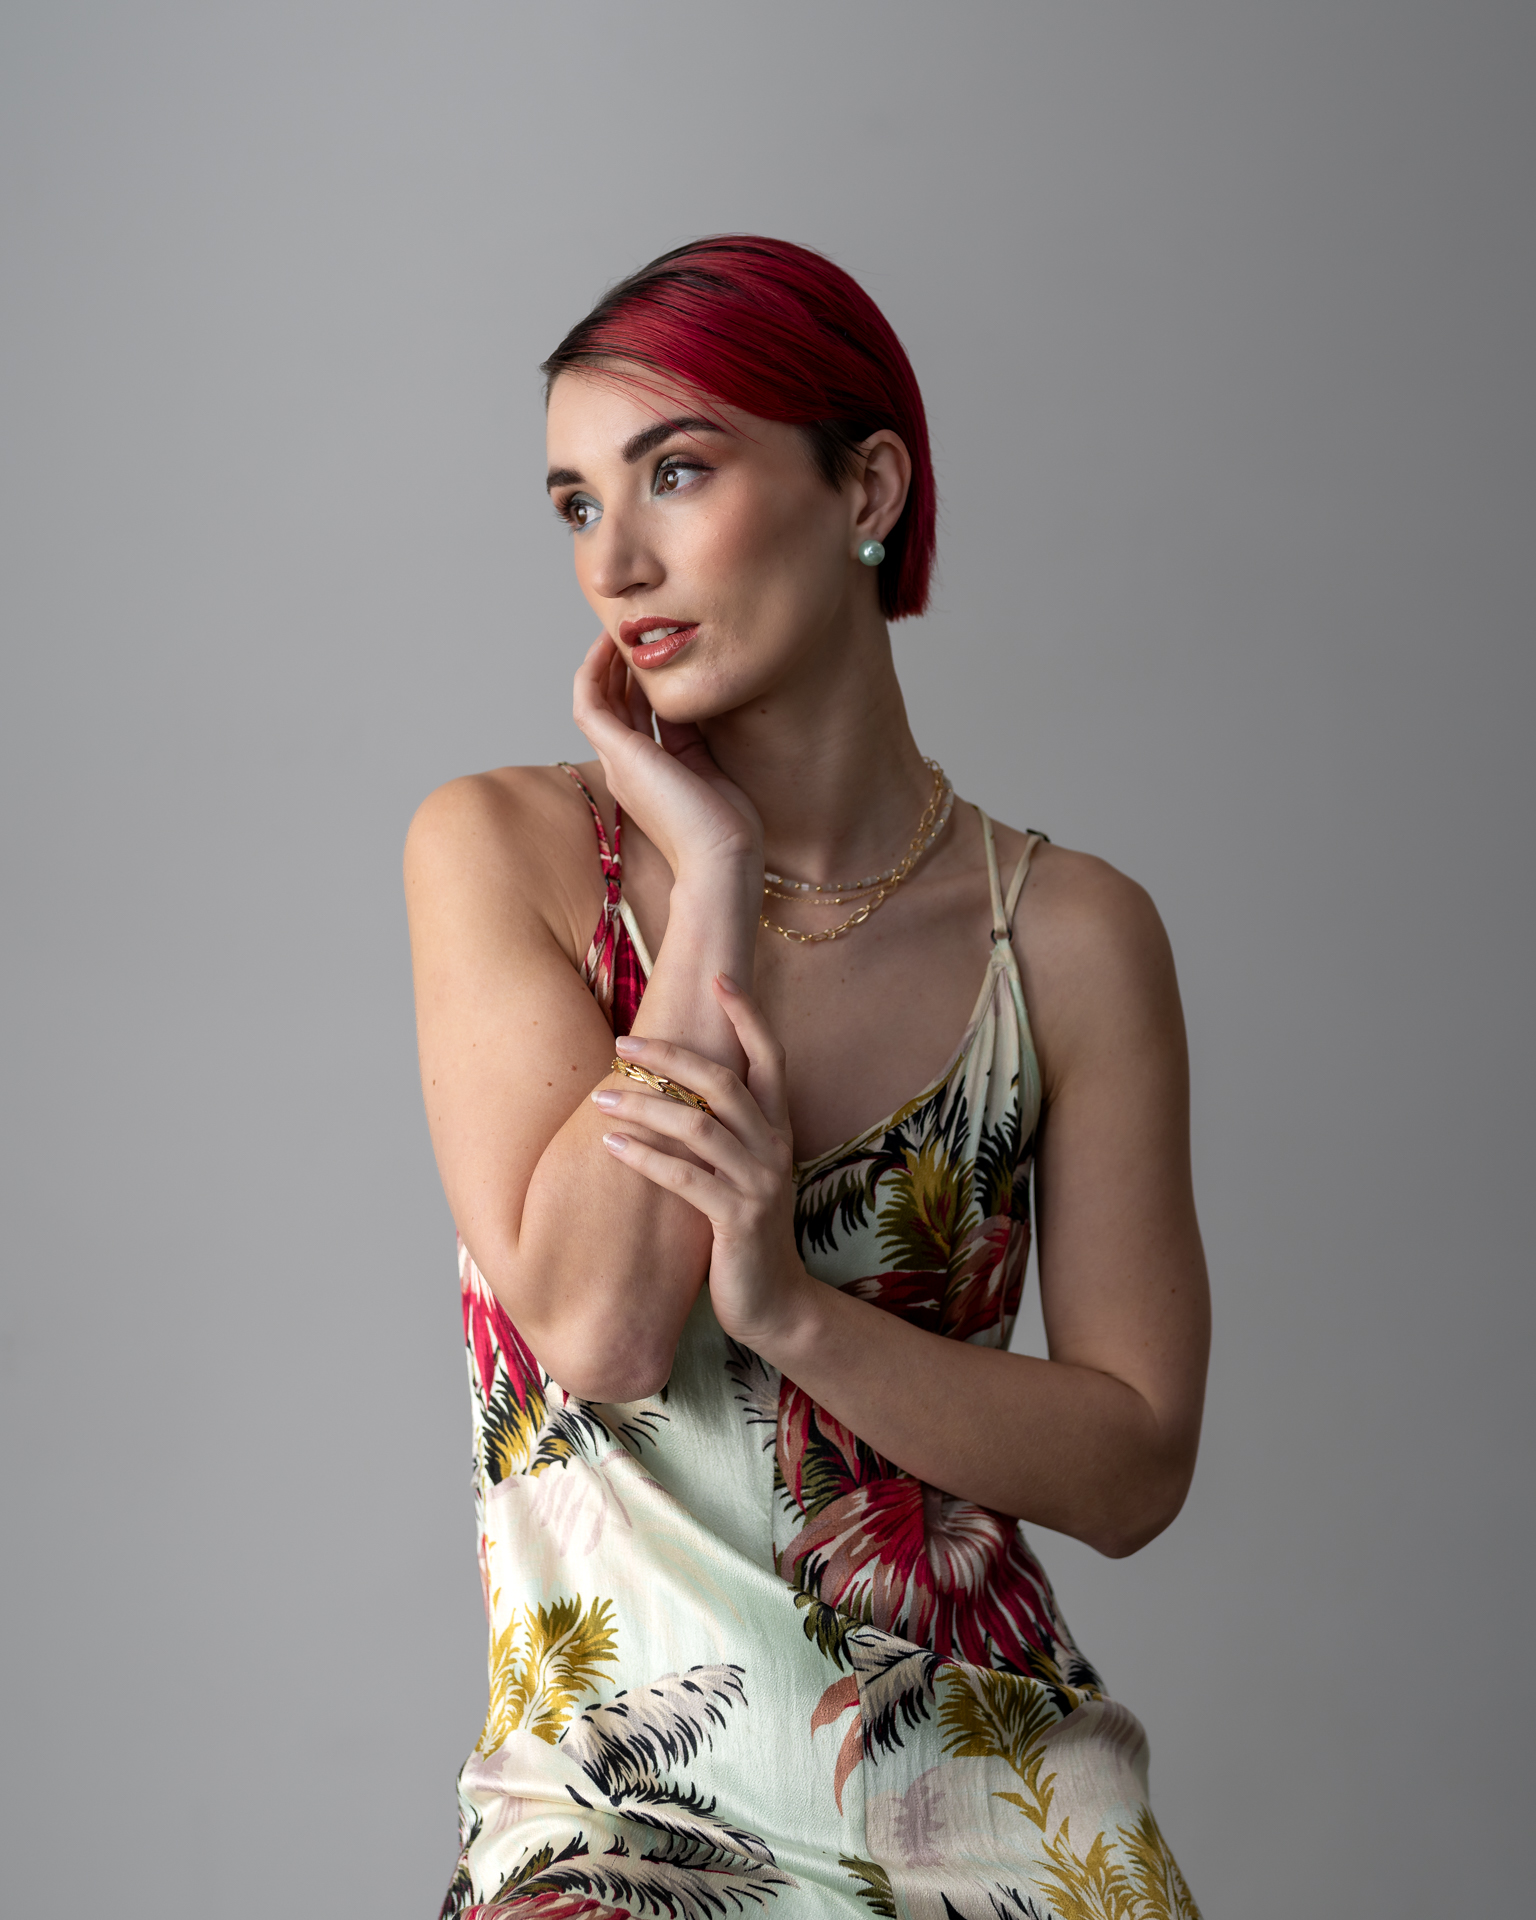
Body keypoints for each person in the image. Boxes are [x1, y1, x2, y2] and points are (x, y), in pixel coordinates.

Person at [405, 235, 1209, 1920]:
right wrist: (711, 873)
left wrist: (792, 1311)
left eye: (676, 472)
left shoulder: (1066, 936)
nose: (615, 559)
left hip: (1005, 1804)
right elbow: (602, 1328)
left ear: (869, 487)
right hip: (619, 1829)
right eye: (575, 504)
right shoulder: (506, 850)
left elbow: (1136, 1464)